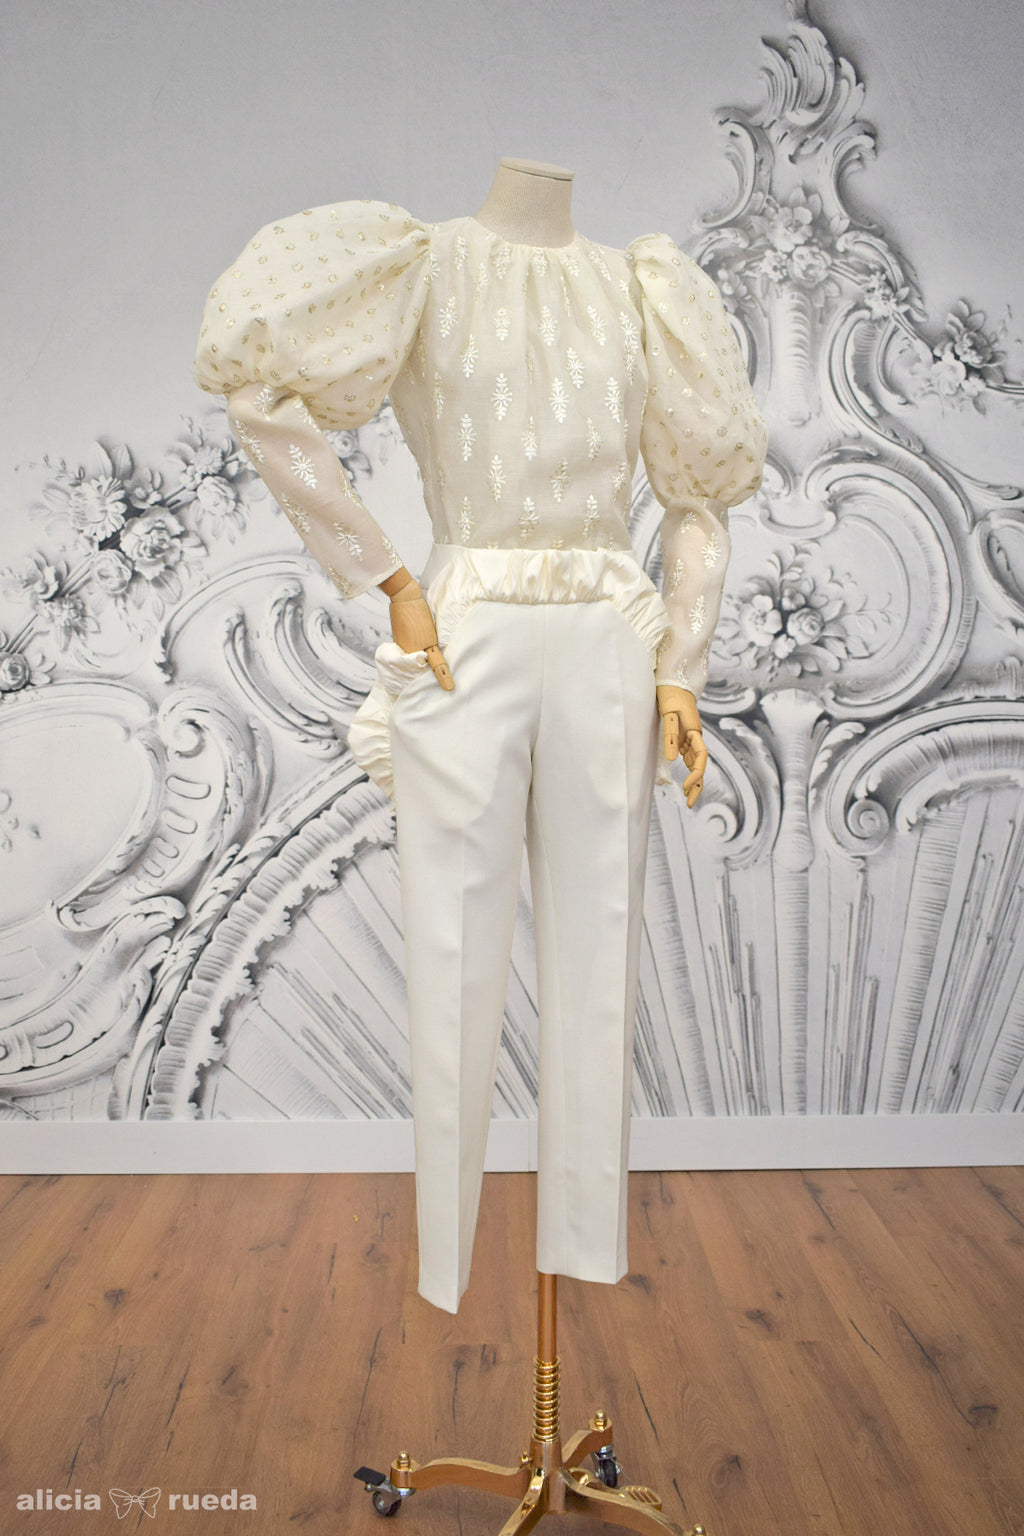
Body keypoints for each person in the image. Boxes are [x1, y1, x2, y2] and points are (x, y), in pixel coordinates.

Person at [194, 158, 768, 1313]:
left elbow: (696, 495)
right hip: (465, 628)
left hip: (607, 632)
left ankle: (582, 1246)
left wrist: (681, 669)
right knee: (451, 941)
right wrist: (386, 575)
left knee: (601, 943)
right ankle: (447, 1263)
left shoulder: (641, 287)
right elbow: (260, 395)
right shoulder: (421, 266)